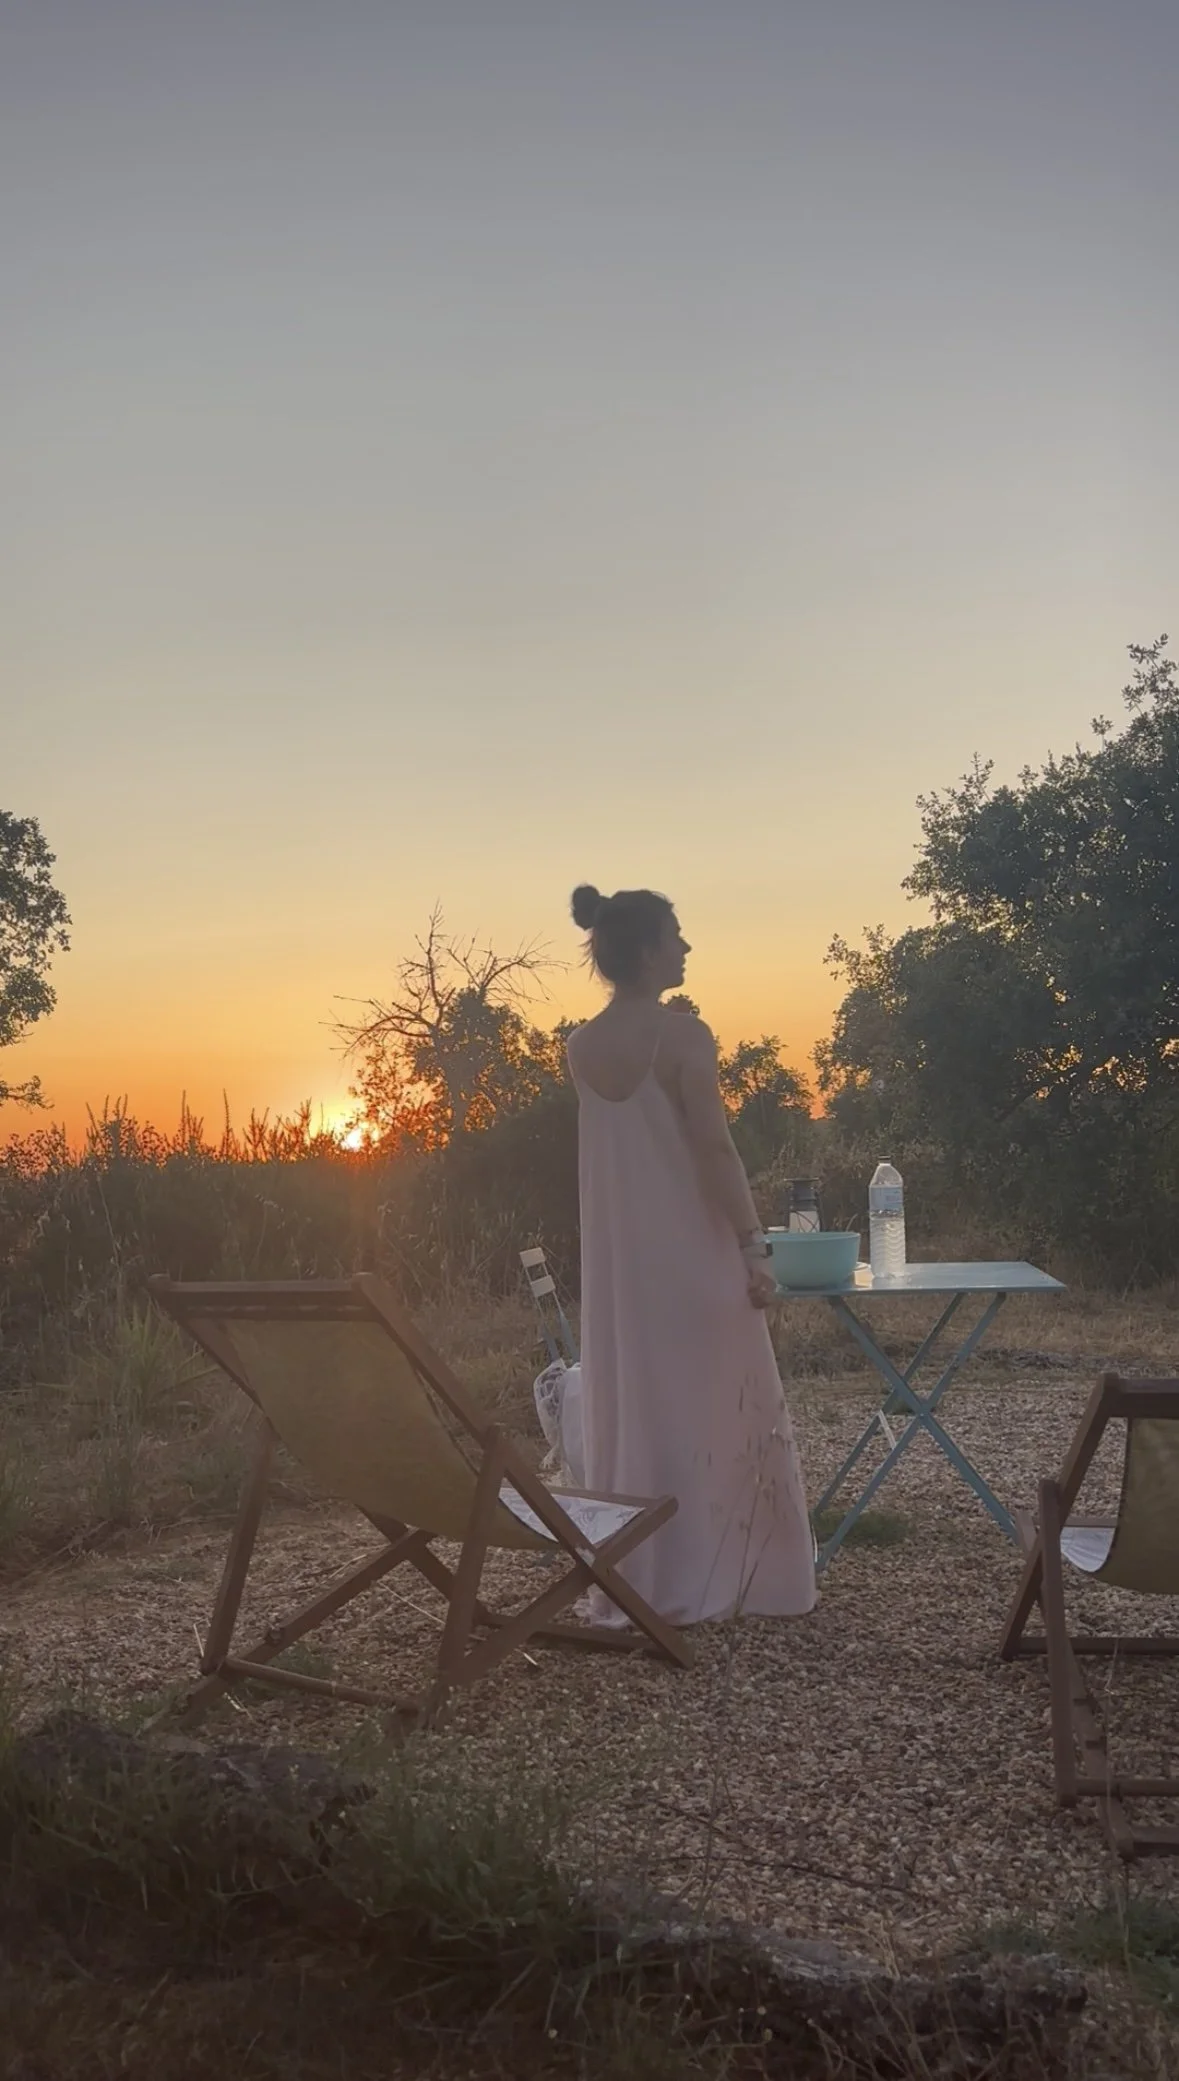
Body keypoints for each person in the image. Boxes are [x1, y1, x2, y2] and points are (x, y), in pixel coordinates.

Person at [565, 884, 816, 1627]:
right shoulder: (682, 1034)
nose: (686, 947)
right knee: (715, 1400)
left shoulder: (580, 1045)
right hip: (690, 1248)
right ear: (647, 951)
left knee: (646, 1406)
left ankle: (648, 1567)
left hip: (622, 1269)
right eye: (676, 936)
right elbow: (713, 1146)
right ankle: (738, 1573)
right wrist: (752, 1243)